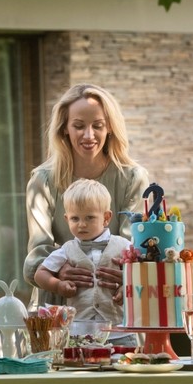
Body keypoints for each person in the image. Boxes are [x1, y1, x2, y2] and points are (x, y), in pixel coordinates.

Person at [24, 84, 149, 307]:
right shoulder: (42, 181)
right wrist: (58, 272)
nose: (89, 135)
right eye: (79, 126)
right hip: (59, 304)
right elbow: (37, 254)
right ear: (65, 128)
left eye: (98, 126)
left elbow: (135, 247)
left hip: (116, 302)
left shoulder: (133, 178)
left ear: (110, 128)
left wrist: (130, 277)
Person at [35, 179, 135, 384]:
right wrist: (58, 285)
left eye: (89, 218)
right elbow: (40, 273)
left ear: (106, 218)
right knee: (82, 374)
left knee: (118, 373)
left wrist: (126, 288)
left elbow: (140, 275)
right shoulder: (67, 249)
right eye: (75, 218)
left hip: (117, 326)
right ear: (66, 218)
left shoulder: (124, 247)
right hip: (80, 328)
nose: (81, 225)